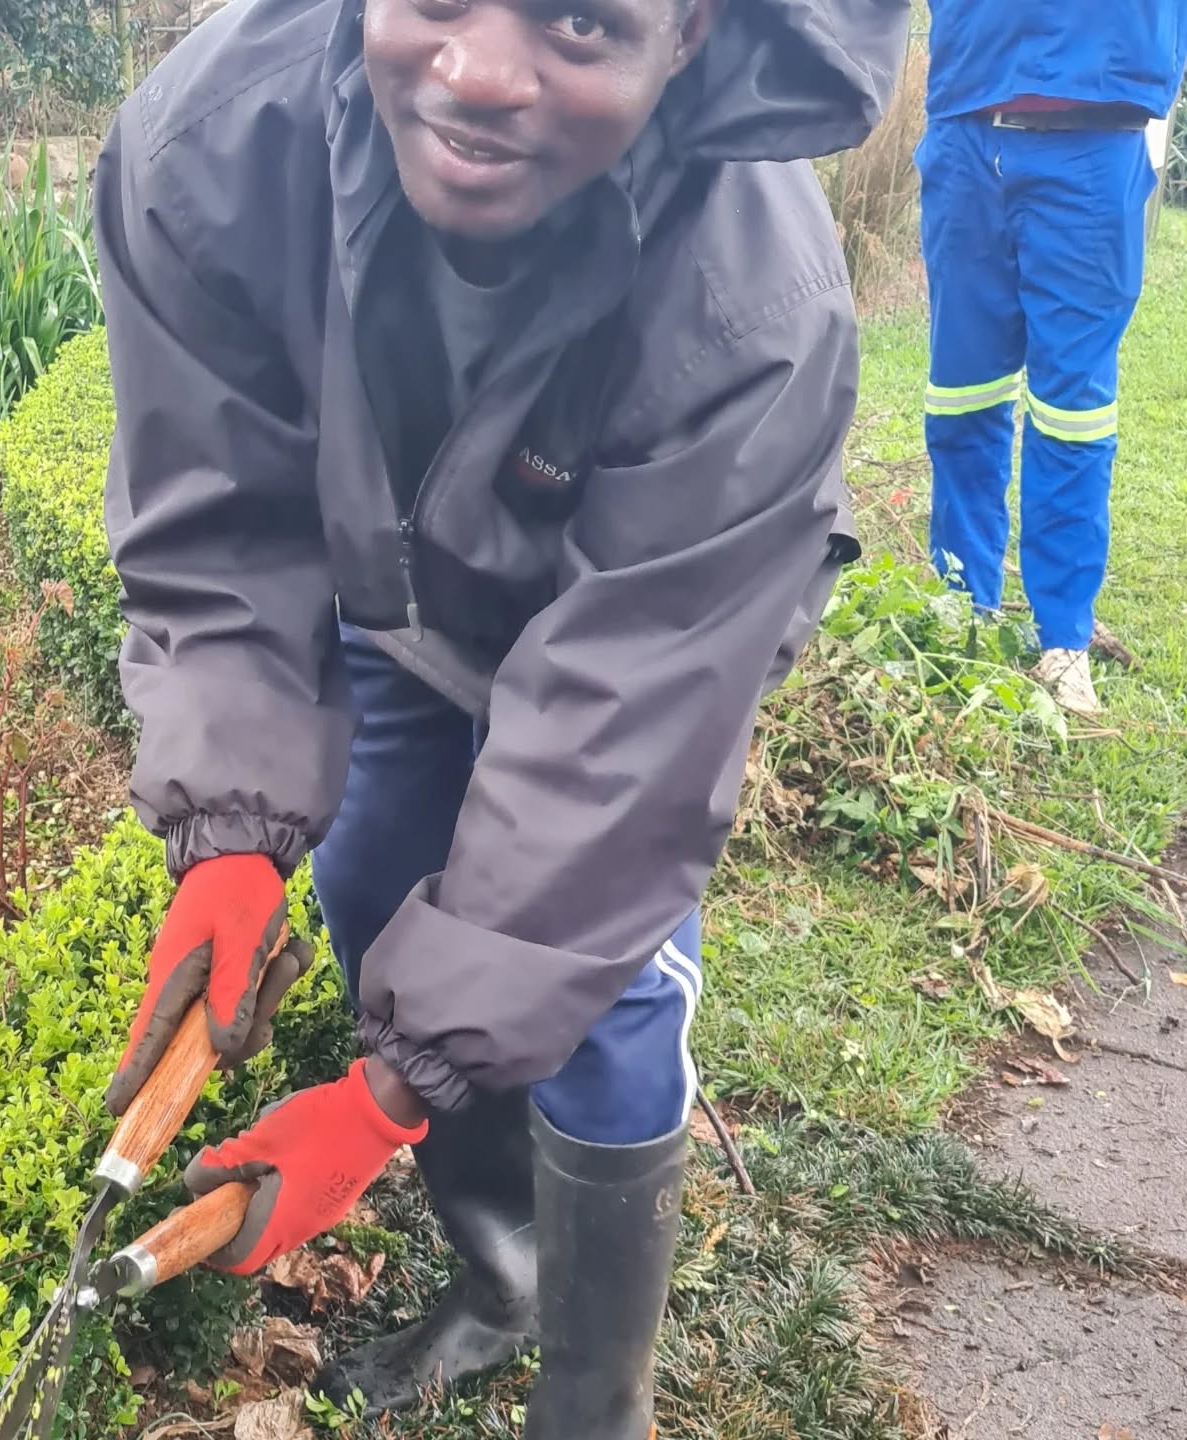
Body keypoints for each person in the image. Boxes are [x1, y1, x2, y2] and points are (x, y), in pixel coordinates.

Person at [94, 0, 906, 1430]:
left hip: (642, 614)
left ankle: (598, 1397)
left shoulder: (753, 307)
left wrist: (391, 1096)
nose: (475, 74)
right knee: (375, 884)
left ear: (694, 32)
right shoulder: (214, 142)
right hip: (402, 597)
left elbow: (615, 755)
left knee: (602, 992)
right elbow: (220, 520)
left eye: (580, 23)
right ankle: (504, 1274)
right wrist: (230, 835)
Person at [918, 1, 1187, 717]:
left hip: (1094, 146)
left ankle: (1062, 639)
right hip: (963, 136)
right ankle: (958, 610)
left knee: (1074, 410)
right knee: (960, 395)